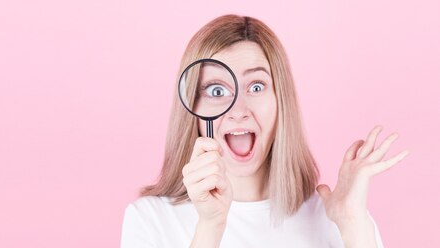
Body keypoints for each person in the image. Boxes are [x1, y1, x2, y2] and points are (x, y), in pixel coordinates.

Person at [121, 14, 409, 248]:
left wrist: (352, 226)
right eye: (217, 90)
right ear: (193, 108)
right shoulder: (150, 220)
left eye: (256, 86)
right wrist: (211, 227)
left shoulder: (336, 218)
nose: (239, 109)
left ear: (281, 100)